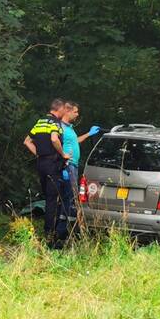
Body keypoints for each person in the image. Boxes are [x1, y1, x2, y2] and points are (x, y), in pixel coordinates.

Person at [24, 98, 72, 248]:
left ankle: (48, 231)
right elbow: (54, 139)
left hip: (41, 164)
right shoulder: (55, 123)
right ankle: (49, 236)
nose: (65, 111)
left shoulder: (40, 122)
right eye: (64, 109)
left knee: (48, 197)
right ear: (59, 109)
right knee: (52, 200)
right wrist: (63, 154)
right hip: (52, 164)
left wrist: (38, 154)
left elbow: (26, 141)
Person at [59, 101, 101, 230]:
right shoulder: (60, 127)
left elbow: (75, 141)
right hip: (67, 165)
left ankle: (66, 229)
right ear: (67, 111)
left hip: (73, 166)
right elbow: (55, 144)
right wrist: (62, 165)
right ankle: (63, 230)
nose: (77, 115)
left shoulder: (70, 128)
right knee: (70, 197)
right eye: (75, 112)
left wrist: (89, 134)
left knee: (70, 197)